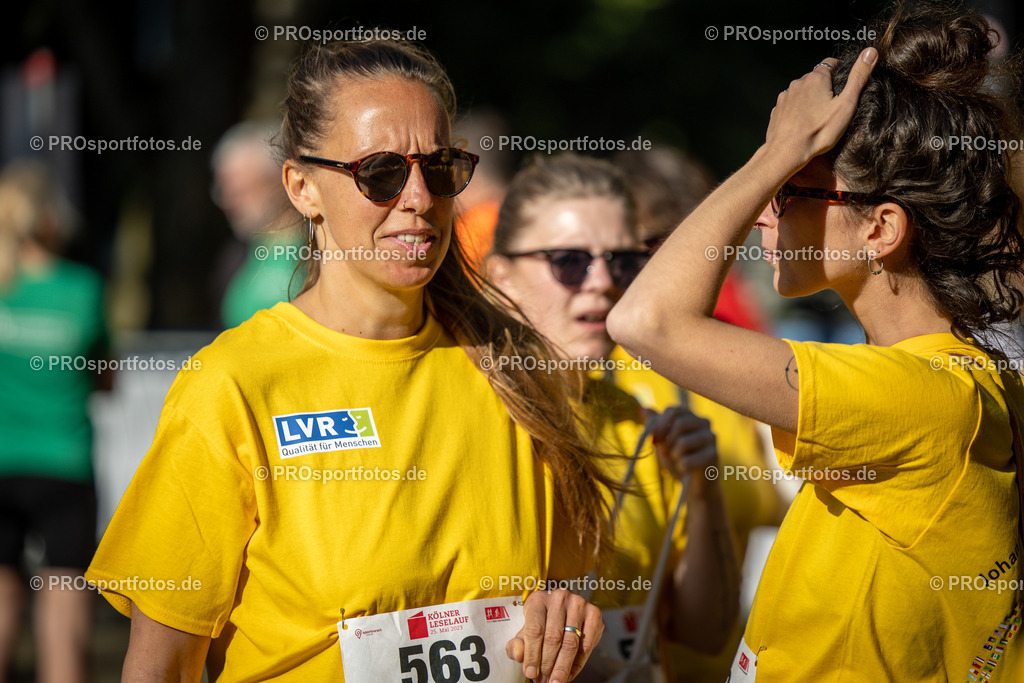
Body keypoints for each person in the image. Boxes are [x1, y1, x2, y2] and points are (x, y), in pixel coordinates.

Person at [86, 40, 610, 682]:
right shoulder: (233, 386)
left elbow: (574, 593)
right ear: (302, 188)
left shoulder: (515, 370)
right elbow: (159, 667)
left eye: (439, 168)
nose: (418, 197)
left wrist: (565, 614)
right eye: (381, 172)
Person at [608, 2, 1024, 680]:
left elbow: (645, 321)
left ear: (880, 230)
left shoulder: (917, 399)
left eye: (791, 191)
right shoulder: (949, 380)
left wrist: (775, 152)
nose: (764, 215)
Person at [486, 152, 740, 680]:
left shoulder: (640, 423)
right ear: (502, 277)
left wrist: (703, 492)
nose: (602, 281)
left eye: (622, 262)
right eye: (569, 261)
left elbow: (707, 633)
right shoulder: (475, 414)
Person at [612, 146, 785, 681]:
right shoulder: (590, 367)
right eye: (645, 247)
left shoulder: (731, 360)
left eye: (691, 242)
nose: (676, 264)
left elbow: (770, 510)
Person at [0, 160, 110, 683]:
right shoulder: (83, 289)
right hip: (64, 464)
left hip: (4, 460)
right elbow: (105, 379)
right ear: (49, 220)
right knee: (64, 609)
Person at [209, 120, 303, 328]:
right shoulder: (234, 259)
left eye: (239, 191)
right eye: (221, 191)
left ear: (279, 180)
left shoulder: (324, 250)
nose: (227, 202)